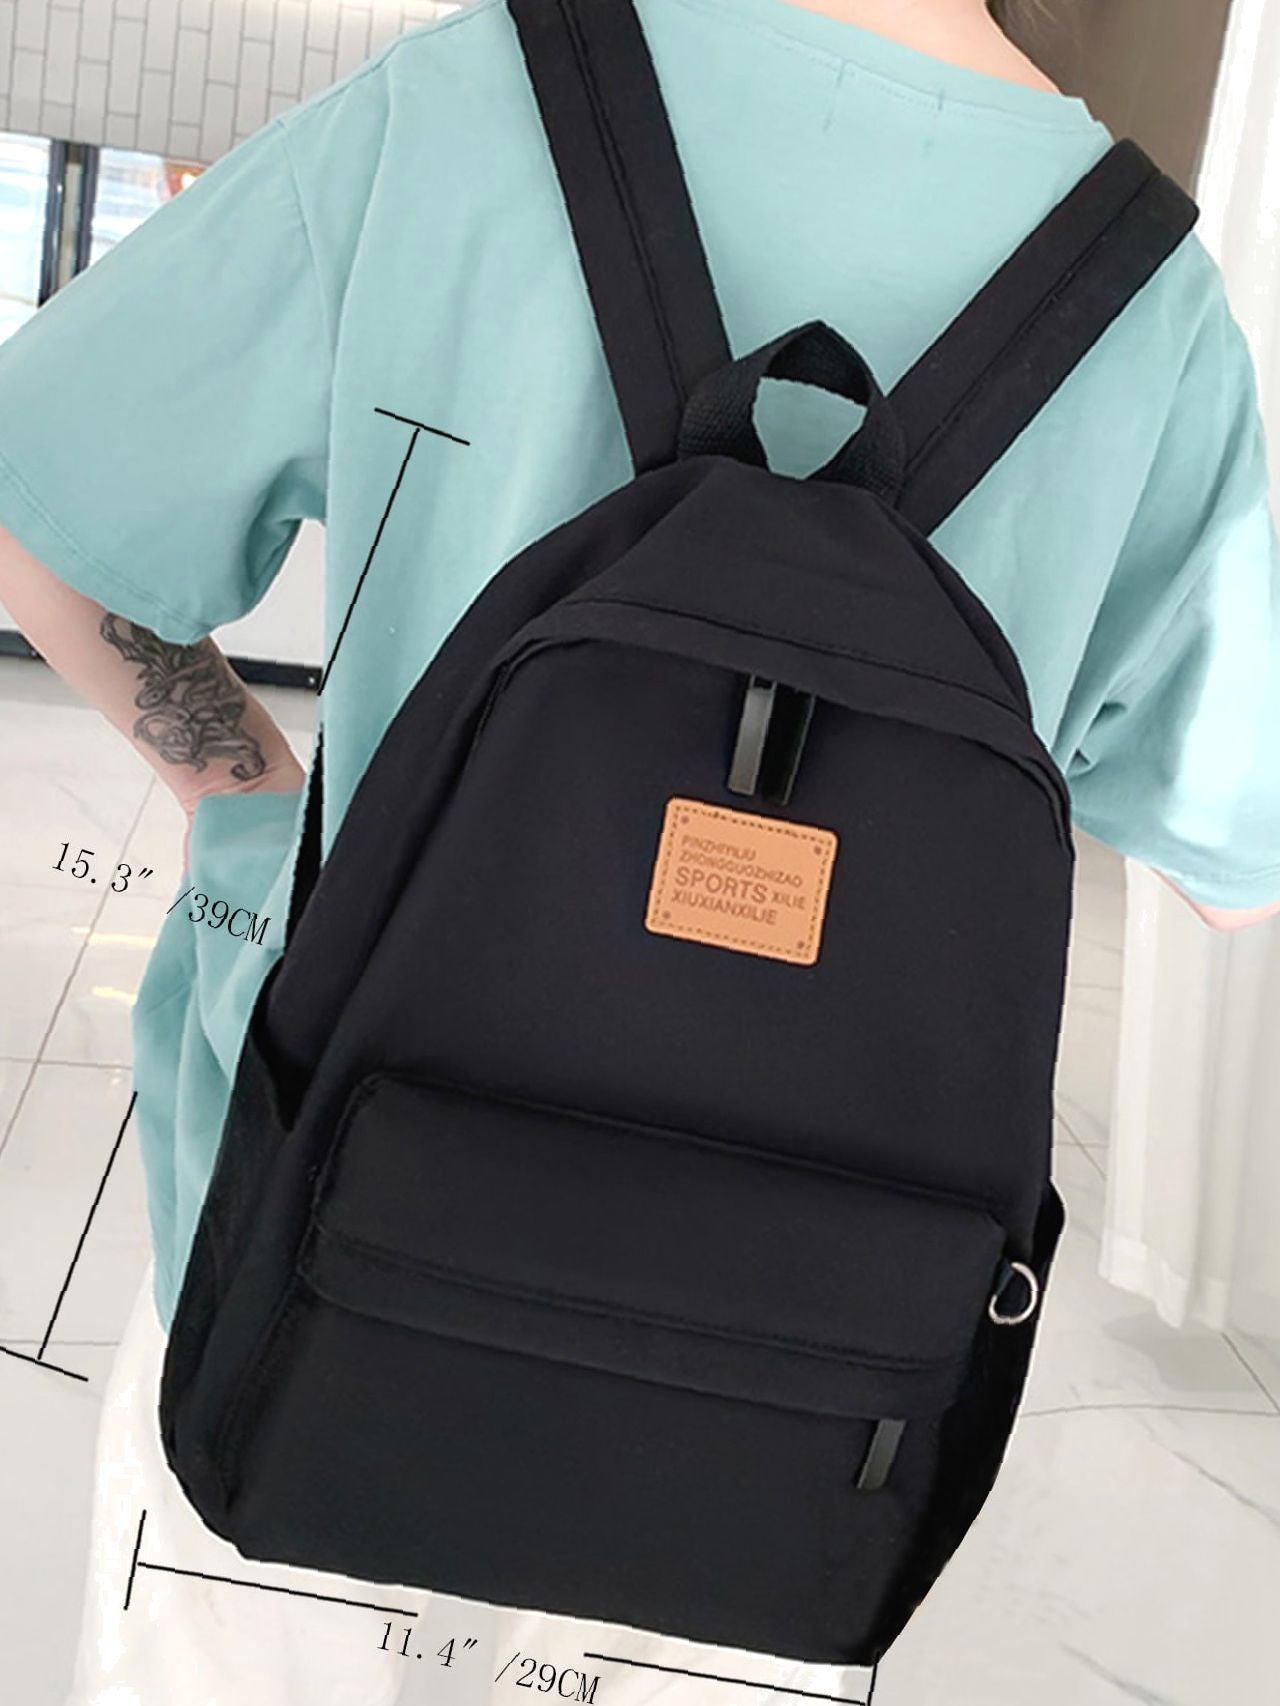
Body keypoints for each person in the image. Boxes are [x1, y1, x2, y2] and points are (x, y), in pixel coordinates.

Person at [1, 1, 1278, 1699]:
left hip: (325, 1214)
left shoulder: (473, 100)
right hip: (785, 1352)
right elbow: (1235, 863)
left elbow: (44, 525)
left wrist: (245, 795)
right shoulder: (1151, 308)